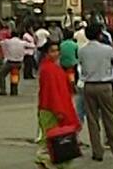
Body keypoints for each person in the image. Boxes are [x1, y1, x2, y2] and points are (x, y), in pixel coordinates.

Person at [78, 23, 113, 162]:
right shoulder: (107, 49)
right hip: (104, 85)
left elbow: (81, 65)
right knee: (110, 118)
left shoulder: (82, 50)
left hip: (88, 86)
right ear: (100, 34)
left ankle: (97, 152)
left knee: (92, 119)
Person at [35, 41, 81, 169]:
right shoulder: (49, 70)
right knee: (51, 140)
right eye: (52, 51)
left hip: (49, 107)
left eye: (57, 50)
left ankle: (44, 162)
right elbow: (52, 92)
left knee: (49, 139)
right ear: (46, 53)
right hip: (51, 108)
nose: (56, 54)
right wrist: (59, 111)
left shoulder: (51, 68)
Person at [0, 31, 34, 96]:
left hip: (10, 62)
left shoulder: (7, 41)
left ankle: (3, 90)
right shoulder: (22, 42)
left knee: (1, 74)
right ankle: (14, 91)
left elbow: (0, 43)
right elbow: (32, 46)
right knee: (14, 76)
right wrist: (24, 51)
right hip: (18, 63)